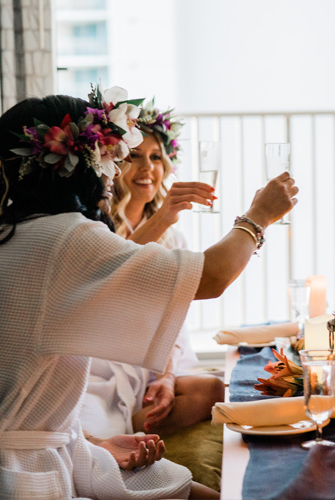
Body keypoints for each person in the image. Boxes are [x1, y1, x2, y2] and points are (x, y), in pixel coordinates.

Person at [0, 87, 297, 499]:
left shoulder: (11, 235)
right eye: (110, 154)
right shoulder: (64, 237)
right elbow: (211, 277)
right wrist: (258, 216)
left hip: (49, 448)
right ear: (84, 163)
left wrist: (95, 442)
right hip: (1, 474)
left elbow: (23, 400)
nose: (115, 168)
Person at [81, 101, 224, 439]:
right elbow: (113, 274)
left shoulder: (174, 237)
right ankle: (118, 428)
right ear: (114, 163)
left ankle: (133, 423)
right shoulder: (96, 226)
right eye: (135, 156)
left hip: (157, 352)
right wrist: (164, 216)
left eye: (156, 157)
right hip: (106, 354)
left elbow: (175, 314)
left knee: (212, 390)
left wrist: (167, 377)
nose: (147, 168)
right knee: (88, 413)